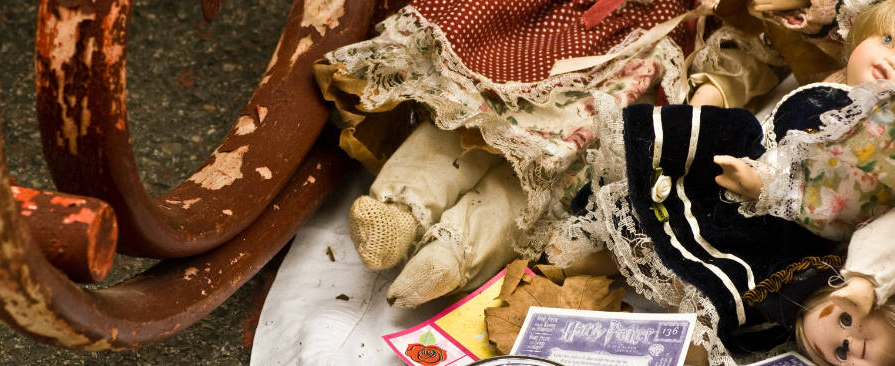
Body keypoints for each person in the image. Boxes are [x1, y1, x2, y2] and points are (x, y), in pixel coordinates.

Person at [315, 0, 782, 307]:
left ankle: (454, 252)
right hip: (548, 43)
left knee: (543, 180)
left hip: (619, 95)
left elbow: (740, 67)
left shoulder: (720, 27)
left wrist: (702, 99)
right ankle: (401, 205)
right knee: (471, 114)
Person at [712, 0, 895, 343]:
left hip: (797, 225)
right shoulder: (841, 94)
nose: (891, 59)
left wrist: (766, 184)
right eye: (886, 39)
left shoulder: (892, 133)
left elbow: (843, 193)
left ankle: (882, 290)